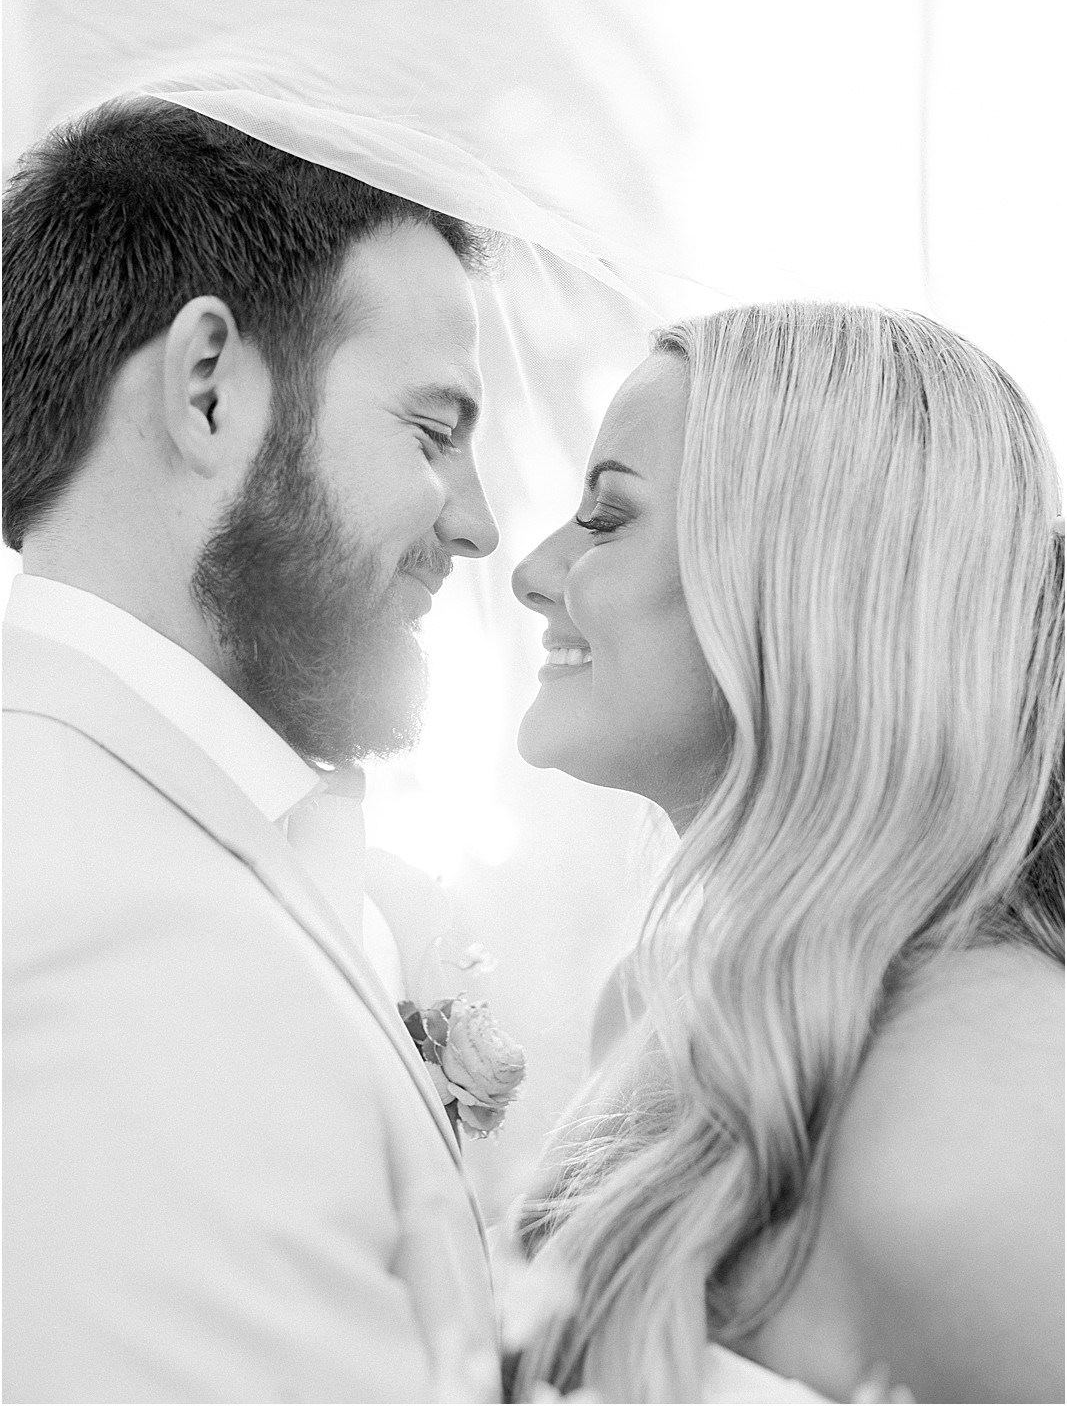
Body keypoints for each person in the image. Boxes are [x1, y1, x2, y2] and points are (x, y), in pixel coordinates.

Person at [2, 95, 503, 1403]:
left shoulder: (143, 828)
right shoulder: (96, 920)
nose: (480, 526)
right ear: (210, 388)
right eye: (431, 429)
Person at [509, 303, 1064, 1404]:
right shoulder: (652, 1008)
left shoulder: (993, 1096)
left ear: (798, 587)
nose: (531, 569)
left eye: (606, 518)